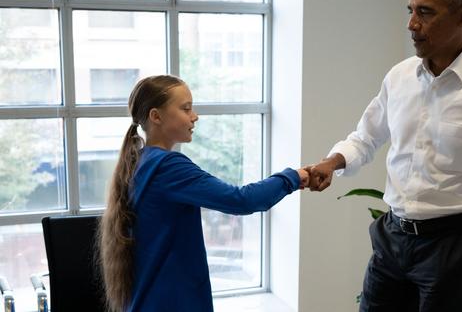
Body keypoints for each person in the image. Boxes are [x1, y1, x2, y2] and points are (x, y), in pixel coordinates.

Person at [307, 0, 462, 312]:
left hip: (454, 248)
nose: (412, 24)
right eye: (411, 11)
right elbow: (366, 137)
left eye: (425, 13)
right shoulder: (399, 77)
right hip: (392, 239)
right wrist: (333, 162)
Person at [98, 75, 308, 312]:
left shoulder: (141, 161)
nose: (194, 116)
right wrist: (293, 176)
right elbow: (242, 200)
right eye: (185, 108)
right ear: (156, 116)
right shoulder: (168, 167)